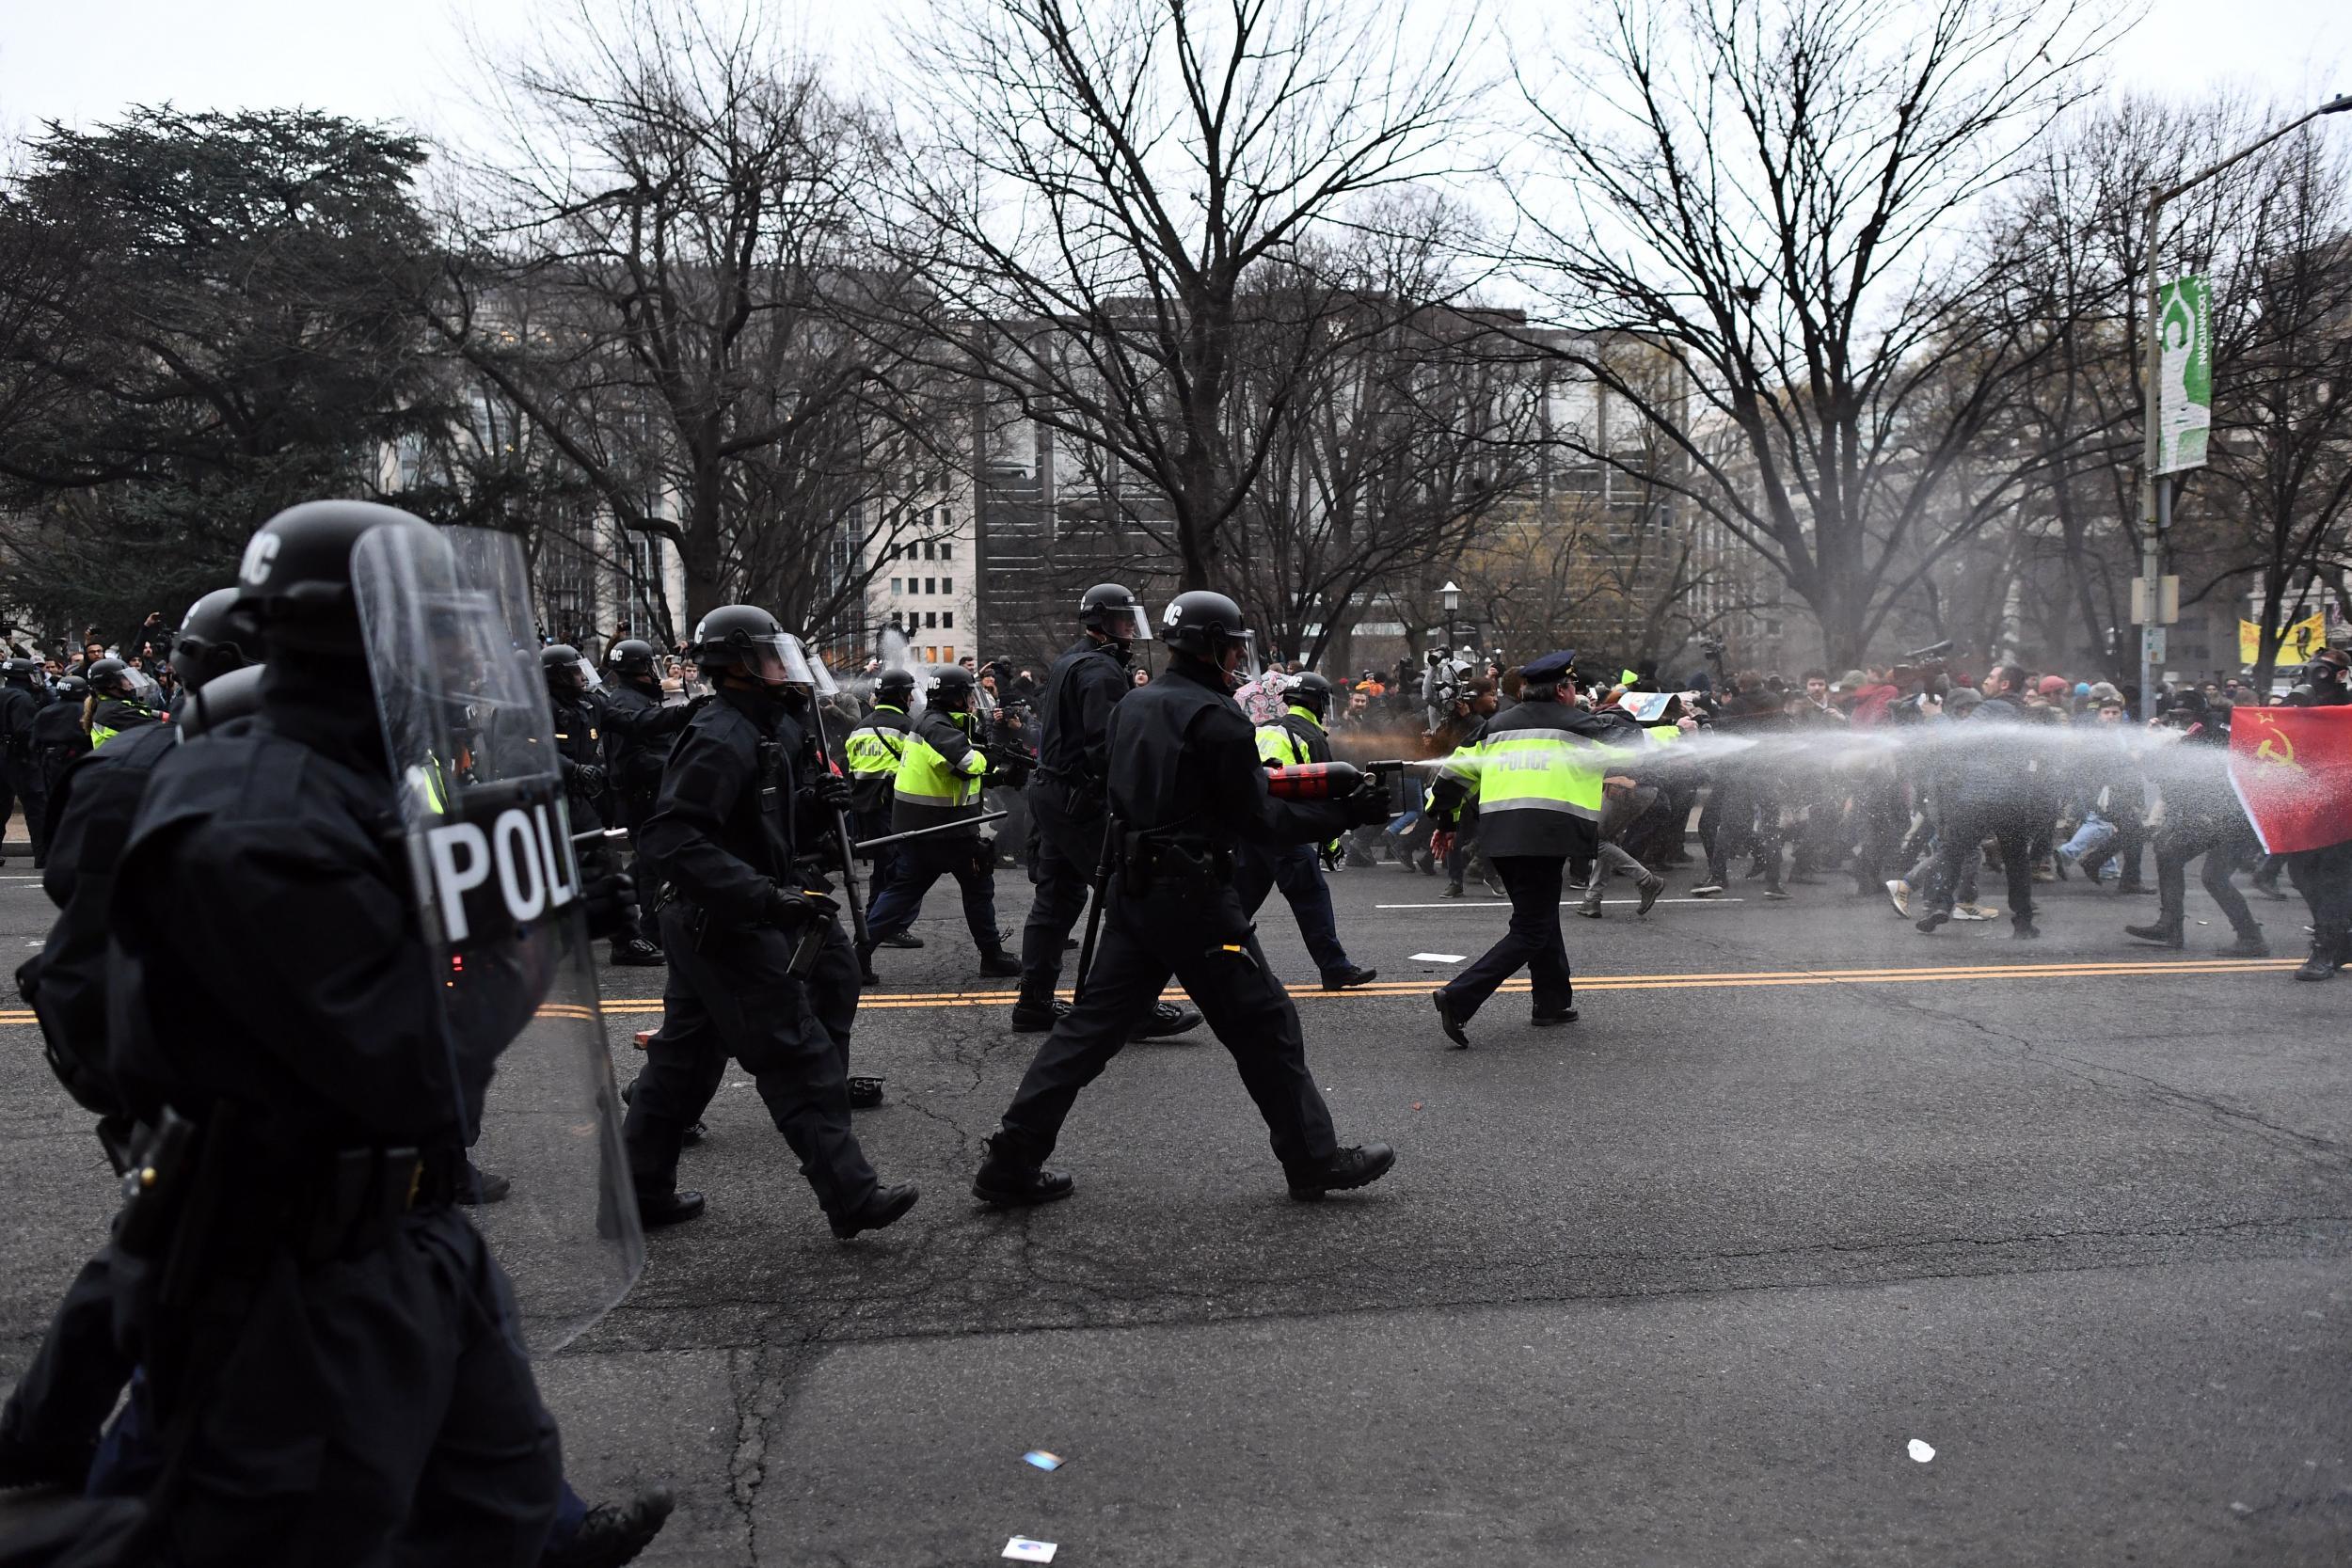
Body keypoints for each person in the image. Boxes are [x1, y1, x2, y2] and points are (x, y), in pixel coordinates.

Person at [93, 501, 664, 1566]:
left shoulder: (367, 777)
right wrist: (519, 945)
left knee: (501, 1497)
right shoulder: (256, 819)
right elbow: (405, 1063)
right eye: (433, 622)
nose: (458, 646)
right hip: (304, 1258)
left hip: (412, 1224)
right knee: (305, 1523)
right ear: (354, 632)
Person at [970, 591, 1395, 1208]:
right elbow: (1259, 822)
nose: (1236, 657)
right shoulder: (1218, 717)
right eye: (1232, 645)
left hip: (1135, 890)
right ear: (1215, 645)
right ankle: (1312, 1157)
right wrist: (1341, 813)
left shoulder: (1134, 703)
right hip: (1195, 899)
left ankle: (1012, 1157)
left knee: (1087, 1031)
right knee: (1266, 1024)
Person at [622, 605, 918, 1237]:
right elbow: (673, 838)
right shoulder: (720, 734)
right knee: (793, 1052)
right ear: (739, 664)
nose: (784, 666)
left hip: (730, 911)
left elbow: (759, 828)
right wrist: (760, 896)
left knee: (685, 1060)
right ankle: (851, 1196)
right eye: (771, 655)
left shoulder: (766, 729)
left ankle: (638, 1192)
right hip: (724, 920)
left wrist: (815, 805)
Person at [1426, 651, 1643, 1047]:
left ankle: (1551, 1002)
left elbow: (1453, 773)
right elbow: (1633, 749)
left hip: (1502, 838)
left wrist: (1446, 822)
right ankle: (1458, 997)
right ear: (1562, 689)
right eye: (1573, 685)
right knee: (1530, 928)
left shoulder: (1496, 726)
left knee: (1539, 917)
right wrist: (1616, 713)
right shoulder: (1582, 726)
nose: (1576, 692)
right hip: (1546, 838)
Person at [1011, 584, 1200, 1039]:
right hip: (1079, 798)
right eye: (1123, 621)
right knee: (1129, 892)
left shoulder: (1071, 660)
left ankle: (1033, 1002)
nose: (1131, 630)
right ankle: (1128, 1005)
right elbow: (1107, 748)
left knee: (1057, 899)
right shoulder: (1100, 673)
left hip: (1052, 793)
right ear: (1100, 622)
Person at [858, 664, 1024, 977]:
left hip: (932, 830)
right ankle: (992, 956)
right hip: (944, 831)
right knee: (977, 891)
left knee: (899, 895)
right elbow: (966, 761)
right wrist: (999, 764)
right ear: (955, 698)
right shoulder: (937, 726)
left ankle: (859, 953)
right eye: (967, 694)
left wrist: (998, 775)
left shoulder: (933, 722)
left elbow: (958, 774)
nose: (971, 701)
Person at [1236, 672, 1377, 990]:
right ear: (1318, 703)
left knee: (1234, 906)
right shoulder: (1312, 737)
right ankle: (1335, 969)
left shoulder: (1262, 729)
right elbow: (1326, 801)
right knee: (1312, 899)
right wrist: (1331, 847)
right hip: (1288, 834)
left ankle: (1207, 958)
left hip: (1250, 831)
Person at [2124, 692, 2266, 956]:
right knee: (2168, 853)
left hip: (2237, 822)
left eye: (2185, 717)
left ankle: (2252, 938)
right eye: (2175, 717)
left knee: (2214, 877)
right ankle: (2170, 925)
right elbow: (2158, 775)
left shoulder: (2217, 737)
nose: (2179, 722)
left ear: (2200, 716)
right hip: (2211, 820)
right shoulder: (2184, 739)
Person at [599, 638, 691, 967]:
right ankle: (650, 933)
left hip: (652, 796)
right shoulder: (627, 704)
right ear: (638, 669)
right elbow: (631, 762)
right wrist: (677, 764)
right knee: (654, 867)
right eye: (649, 665)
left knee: (643, 867)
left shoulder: (637, 699)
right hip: (643, 799)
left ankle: (627, 924)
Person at [841, 667, 922, 949]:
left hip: (866, 808)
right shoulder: (907, 727)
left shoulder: (859, 727)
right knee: (902, 869)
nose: (911, 699)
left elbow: (851, 767)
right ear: (900, 695)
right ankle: (891, 925)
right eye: (909, 693)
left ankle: (877, 924)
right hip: (895, 807)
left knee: (883, 867)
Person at [2284, 647, 2352, 979]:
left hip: (2346, 809)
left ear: (2341, 674)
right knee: (2300, 871)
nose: (2315, 676)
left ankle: (2327, 948)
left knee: (2333, 877)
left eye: (2324, 670)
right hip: (2310, 805)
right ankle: (2342, 937)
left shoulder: (2348, 704)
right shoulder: (2303, 701)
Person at [0, 655, 50, 860]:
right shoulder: (22, 699)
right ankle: (42, 855)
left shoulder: (3, 694)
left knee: (1, 806)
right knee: (35, 805)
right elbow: (25, 731)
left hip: (3, 756)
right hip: (19, 759)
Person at [82, 657, 162, 748]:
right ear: (110, 683)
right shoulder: (114, 711)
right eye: (125, 678)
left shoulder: (109, 704)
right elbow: (160, 730)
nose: (131, 682)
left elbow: (148, 713)